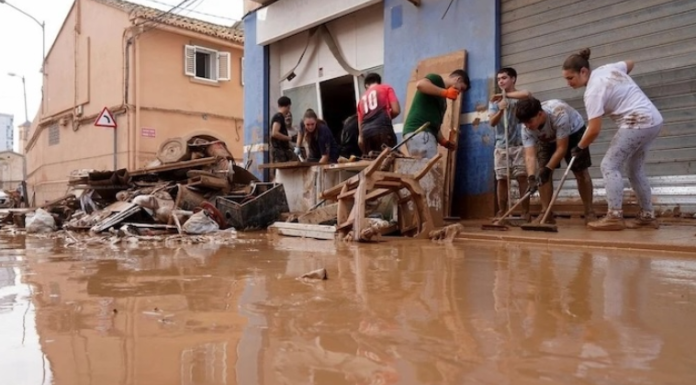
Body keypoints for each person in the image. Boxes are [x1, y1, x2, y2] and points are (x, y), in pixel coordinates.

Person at [562, 48, 663, 231]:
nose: (568, 83)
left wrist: (580, 146)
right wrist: (620, 85)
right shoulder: (608, 69)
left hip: (637, 122)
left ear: (583, 72)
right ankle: (647, 216)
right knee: (634, 169)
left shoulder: (592, 91)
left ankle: (614, 216)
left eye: (570, 78)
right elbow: (630, 62)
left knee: (609, 165)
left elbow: (593, 130)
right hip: (653, 120)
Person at [516, 97, 596, 224]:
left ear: (540, 114)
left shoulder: (559, 114)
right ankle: (545, 212)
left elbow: (562, 148)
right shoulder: (526, 127)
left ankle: (589, 211)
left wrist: (548, 169)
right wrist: (531, 177)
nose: (527, 126)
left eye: (529, 122)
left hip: (573, 132)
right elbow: (530, 155)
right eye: (524, 123)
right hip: (546, 138)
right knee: (542, 175)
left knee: (580, 172)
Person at [488, 67, 532, 219]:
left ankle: (525, 212)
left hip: (520, 144)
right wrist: (500, 109)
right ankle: (502, 211)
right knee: (502, 179)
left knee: (522, 177)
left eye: (504, 78)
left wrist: (504, 96)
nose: (501, 81)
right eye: (499, 79)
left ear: (513, 79)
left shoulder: (519, 96)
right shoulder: (495, 101)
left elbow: (527, 94)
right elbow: (492, 123)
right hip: (502, 145)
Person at [402, 69, 470, 158]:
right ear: (458, 79)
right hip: (420, 131)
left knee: (422, 169)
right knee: (430, 169)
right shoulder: (436, 80)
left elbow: (434, 125)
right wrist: (445, 92)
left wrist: (443, 141)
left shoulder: (443, 102)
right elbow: (420, 85)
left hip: (422, 133)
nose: (459, 92)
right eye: (461, 88)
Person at [357, 73, 401, 155]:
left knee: (374, 165)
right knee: (389, 162)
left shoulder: (361, 101)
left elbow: (360, 133)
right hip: (383, 131)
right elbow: (396, 110)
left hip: (367, 135)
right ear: (379, 82)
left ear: (366, 85)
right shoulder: (386, 88)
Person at [270, 96, 299, 163]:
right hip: (279, 152)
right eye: (289, 107)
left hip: (282, 151)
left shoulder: (279, 117)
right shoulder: (279, 116)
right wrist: (290, 138)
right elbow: (274, 133)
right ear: (288, 106)